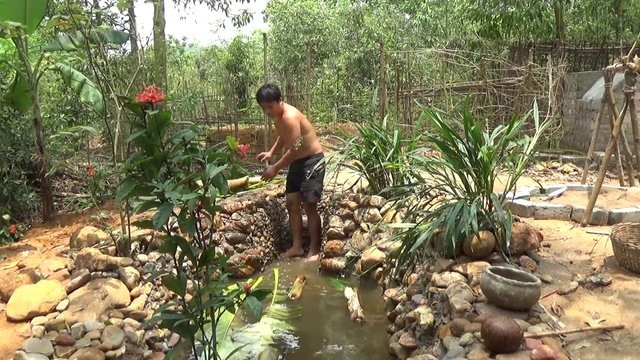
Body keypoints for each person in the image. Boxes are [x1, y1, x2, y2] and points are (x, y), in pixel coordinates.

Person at [255, 83, 325, 261]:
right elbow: (284, 136)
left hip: (311, 160)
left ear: (280, 101)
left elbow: (294, 147)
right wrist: (271, 152)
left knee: (309, 206)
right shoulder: (279, 117)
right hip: (297, 163)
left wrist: (274, 168)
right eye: (264, 108)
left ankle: (314, 250)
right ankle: (297, 247)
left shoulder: (289, 116)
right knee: (292, 203)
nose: (268, 111)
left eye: (270, 107)